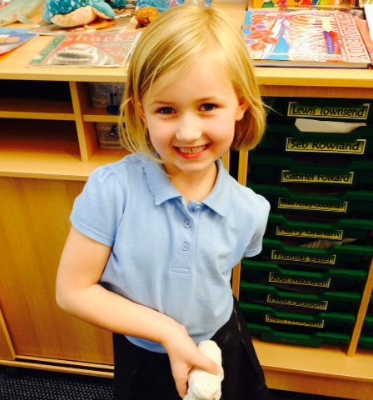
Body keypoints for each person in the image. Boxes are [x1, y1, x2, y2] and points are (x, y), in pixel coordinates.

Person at [56, 5, 271, 400]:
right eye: (167, 110)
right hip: (145, 350)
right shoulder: (112, 190)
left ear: (240, 104)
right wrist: (168, 332)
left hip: (222, 341)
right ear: (142, 111)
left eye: (207, 106)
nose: (188, 132)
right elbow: (72, 291)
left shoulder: (250, 210)